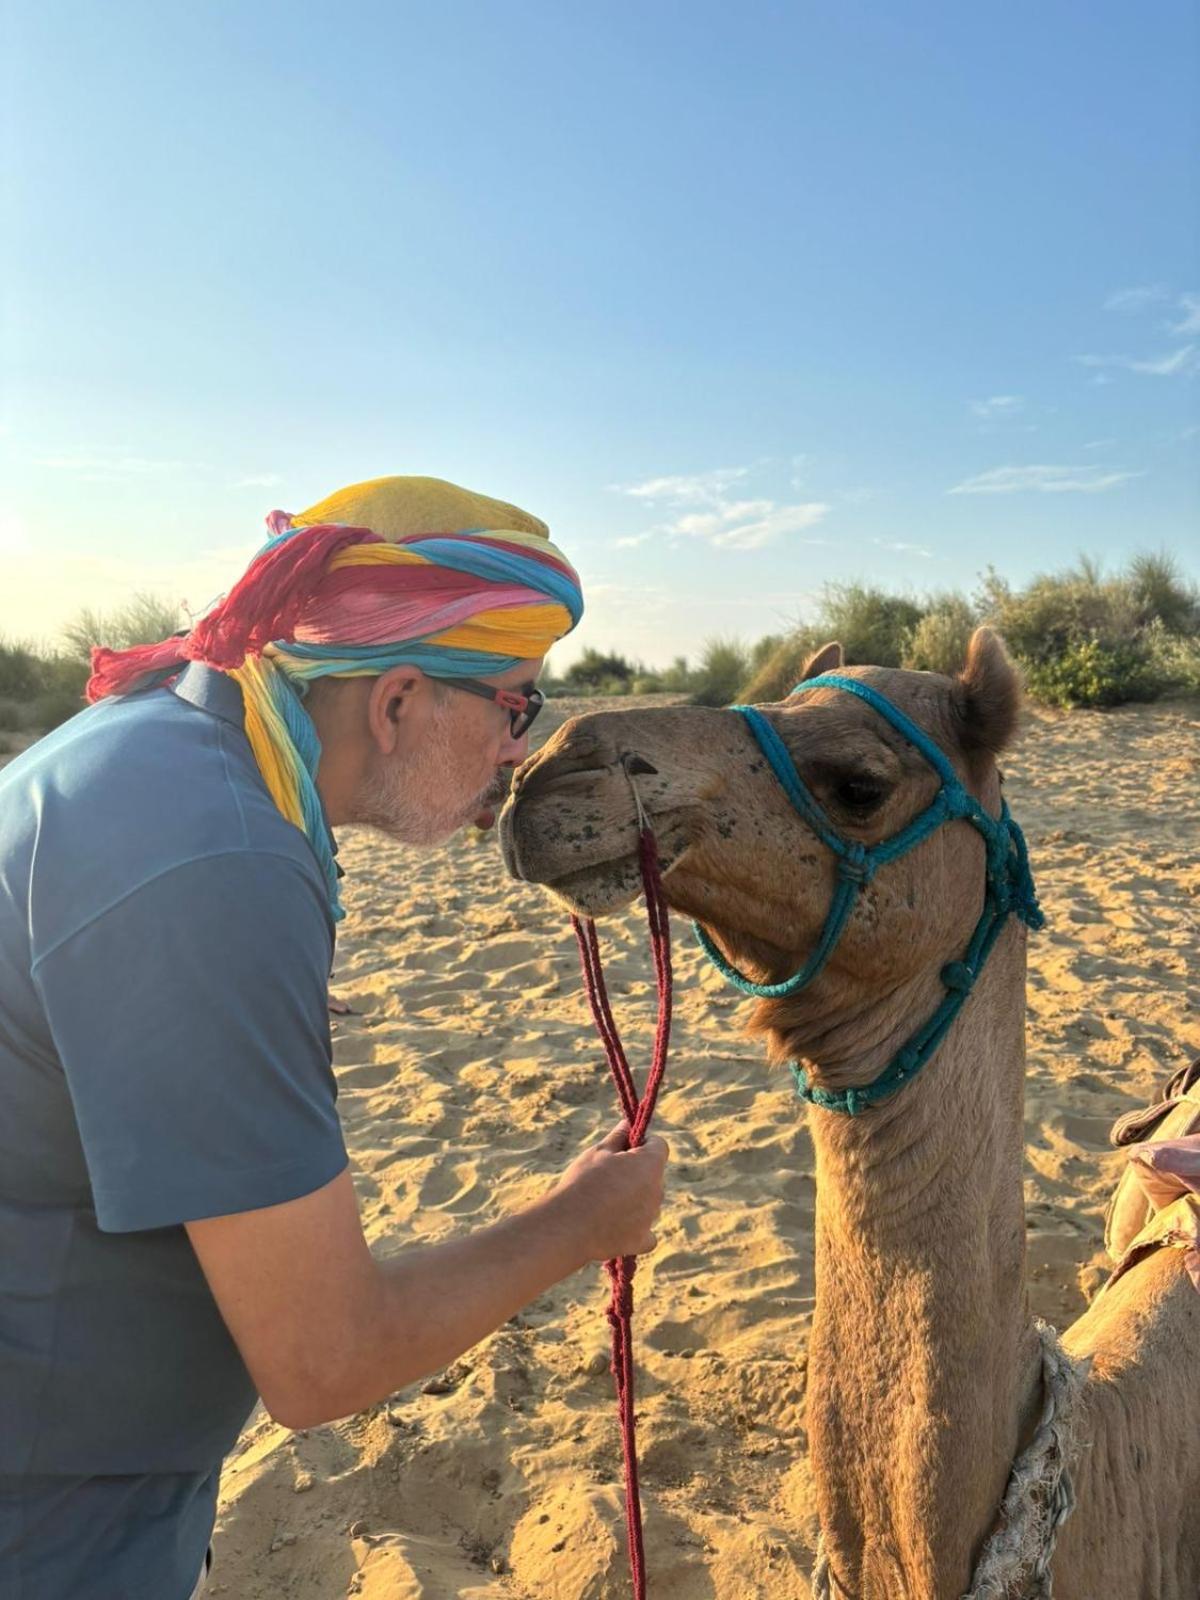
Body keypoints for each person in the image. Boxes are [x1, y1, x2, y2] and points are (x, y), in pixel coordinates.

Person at [0, 475, 669, 1600]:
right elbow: (325, 1358)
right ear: (399, 699)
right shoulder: (216, 853)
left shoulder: (174, 752)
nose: (520, 752)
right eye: (515, 705)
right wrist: (581, 1220)